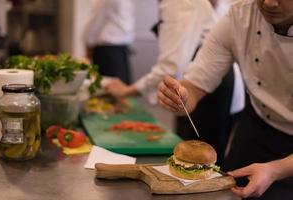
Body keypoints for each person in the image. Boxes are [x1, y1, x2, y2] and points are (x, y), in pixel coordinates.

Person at [157, 0, 293, 199]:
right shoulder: (239, 16)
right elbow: (195, 85)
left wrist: (276, 169)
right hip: (256, 129)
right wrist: (180, 98)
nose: (269, 3)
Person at [105, 0, 244, 166]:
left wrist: (127, 90)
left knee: (197, 163)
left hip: (206, 89)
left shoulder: (178, 2)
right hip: (212, 84)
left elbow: (171, 68)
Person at [83, 0, 135, 84]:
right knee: (113, 87)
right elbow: (94, 22)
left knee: (116, 88)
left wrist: (88, 43)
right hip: (109, 49)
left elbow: (94, 21)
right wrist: (88, 42)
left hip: (110, 50)